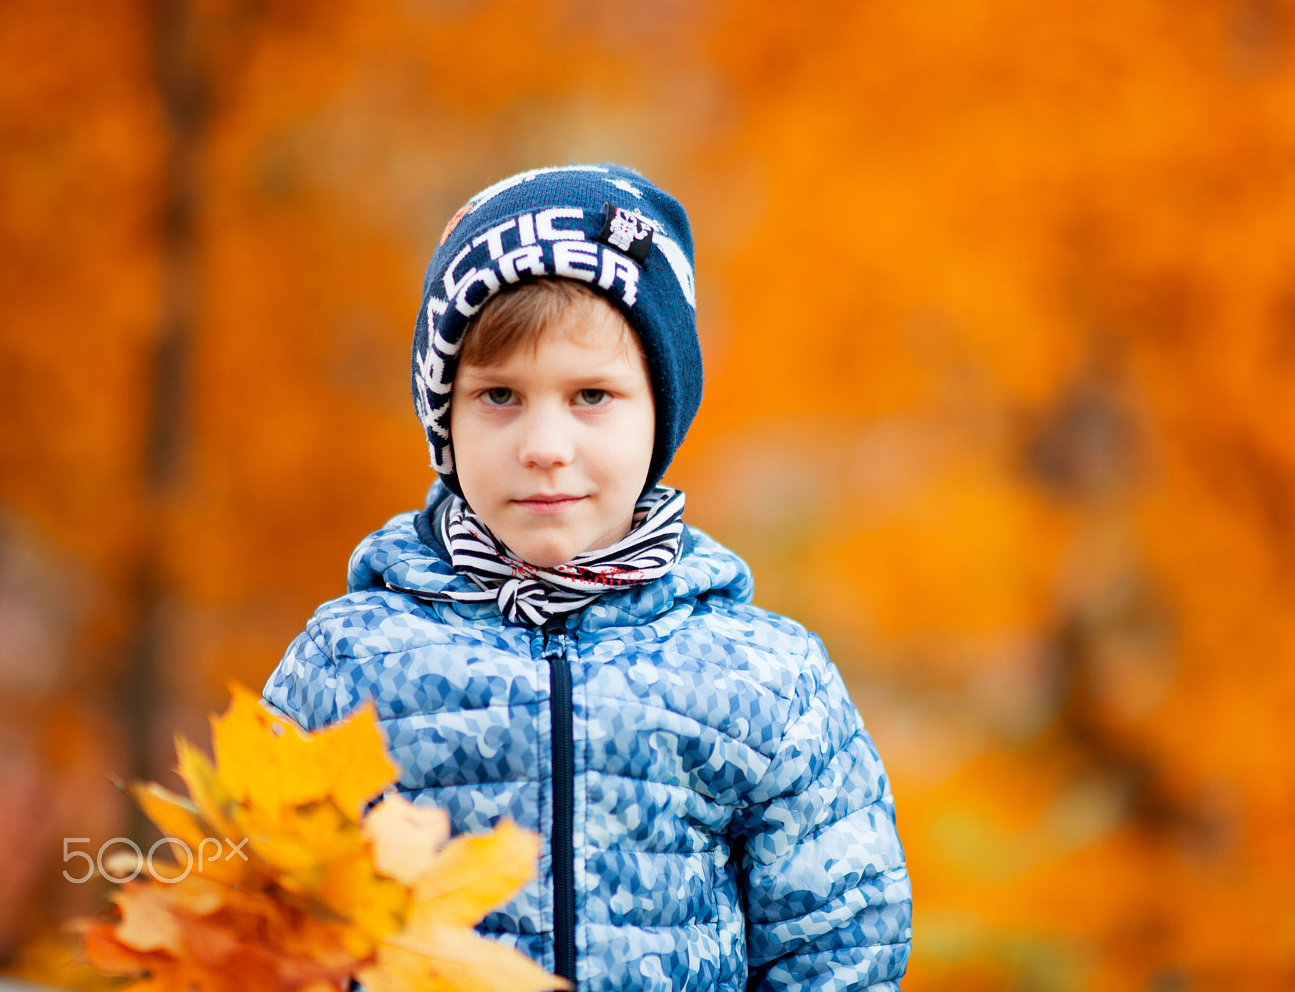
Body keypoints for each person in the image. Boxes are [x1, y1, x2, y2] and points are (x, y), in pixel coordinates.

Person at [263, 165, 912, 990]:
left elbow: (837, 952)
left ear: (660, 415)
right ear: (445, 419)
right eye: (499, 395)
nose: (544, 445)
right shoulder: (348, 663)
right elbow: (259, 927)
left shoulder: (766, 681)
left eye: (592, 396)